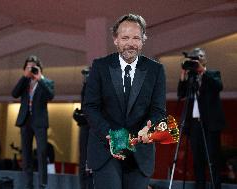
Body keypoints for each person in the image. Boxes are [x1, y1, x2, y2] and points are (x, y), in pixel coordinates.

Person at [83, 14, 166, 189]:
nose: (131, 43)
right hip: (106, 150)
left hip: (139, 154)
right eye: (125, 37)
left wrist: (149, 128)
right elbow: (90, 107)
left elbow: (158, 110)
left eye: (136, 37)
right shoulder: (100, 66)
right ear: (116, 40)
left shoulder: (156, 70)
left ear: (143, 40)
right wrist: (114, 137)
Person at [177, 48, 226, 189]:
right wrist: (183, 73)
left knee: (212, 160)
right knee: (197, 161)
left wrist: (201, 71)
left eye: (198, 59)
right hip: (194, 125)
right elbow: (181, 94)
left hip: (210, 124)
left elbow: (219, 86)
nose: (195, 62)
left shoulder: (213, 74)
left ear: (204, 59)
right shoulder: (191, 78)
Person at [12, 55, 54, 189]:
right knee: (26, 155)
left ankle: (42, 185)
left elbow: (50, 96)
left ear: (39, 68)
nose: (30, 69)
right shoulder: (24, 83)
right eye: (28, 67)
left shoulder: (46, 82)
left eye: (33, 67)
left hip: (40, 122)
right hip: (25, 121)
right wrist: (24, 76)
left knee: (42, 153)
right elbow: (14, 94)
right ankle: (28, 185)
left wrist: (39, 78)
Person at [73, 67, 93, 189]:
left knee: (91, 164)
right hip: (85, 129)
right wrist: (79, 116)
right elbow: (85, 108)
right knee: (83, 162)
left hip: (95, 131)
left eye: (88, 75)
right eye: (85, 75)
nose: (86, 77)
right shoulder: (85, 89)